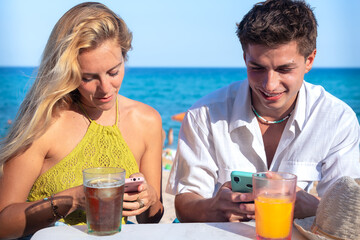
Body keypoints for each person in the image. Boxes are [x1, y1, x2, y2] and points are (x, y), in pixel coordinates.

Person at [167, 0, 360, 222]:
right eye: (257, 68)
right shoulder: (204, 115)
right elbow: (184, 205)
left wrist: (312, 206)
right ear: (245, 59)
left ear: (309, 60)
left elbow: (349, 210)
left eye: (284, 69)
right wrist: (214, 207)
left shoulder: (337, 119)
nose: (269, 85)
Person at [0, 2, 163, 239]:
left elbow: (152, 221)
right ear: (68, 72)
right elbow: (3, 224)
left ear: (124, 57)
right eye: (88, 78)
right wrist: (70, 201)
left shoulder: (146, 121)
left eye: (114, 72)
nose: (106, 88)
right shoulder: (45, 122)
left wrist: (149, 199)